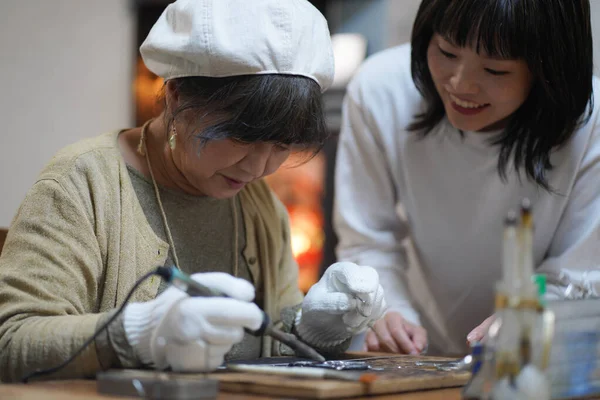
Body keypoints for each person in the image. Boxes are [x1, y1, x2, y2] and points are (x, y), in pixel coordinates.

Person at [0, 0, 386, 382]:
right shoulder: (82, 183)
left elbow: (273, 356)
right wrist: (138, 332)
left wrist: (315, 331)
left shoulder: (259, 206)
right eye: (240, 136)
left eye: (282, 145)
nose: (258, 168)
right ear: (176, 95)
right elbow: (11, 344)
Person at [334, 0, 600, 357]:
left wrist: (528, 314)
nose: (461, 84)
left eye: (495, 71)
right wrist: (391, 310)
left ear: (547, 68)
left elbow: (579, 271)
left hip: (541, 361)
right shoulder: (380, 90)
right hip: (415, 354)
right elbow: (367, 238)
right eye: (446, 51)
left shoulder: (590, 123)